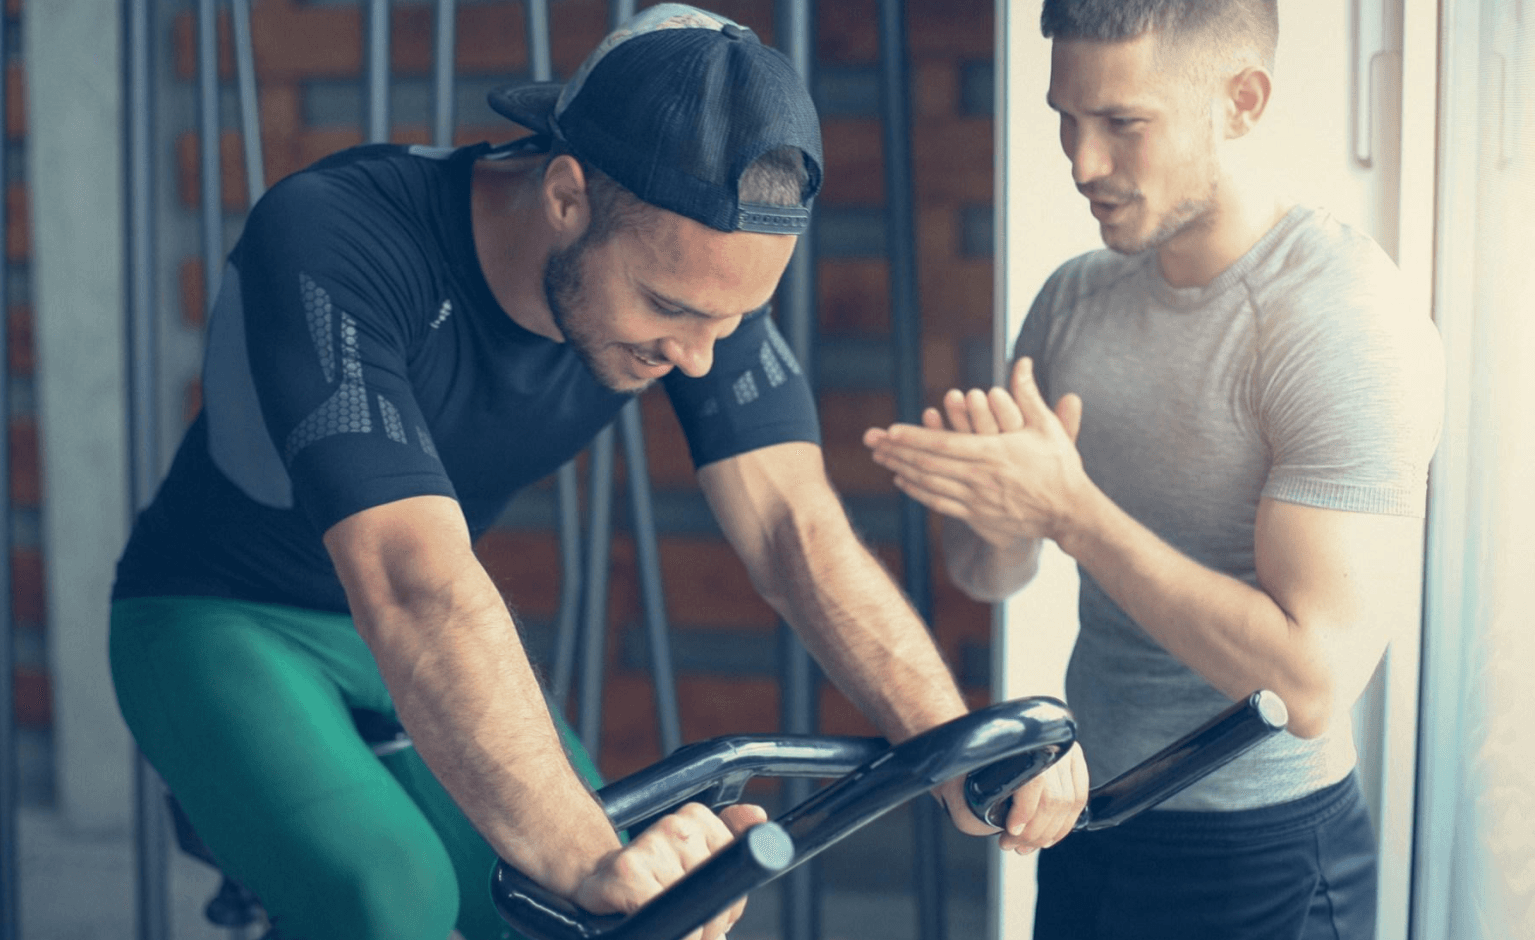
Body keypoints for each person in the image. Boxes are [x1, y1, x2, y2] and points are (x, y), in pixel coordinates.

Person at [108, 6, 1084, 939]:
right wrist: (584, 857)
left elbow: (795, 527)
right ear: (566, 195)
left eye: (732, 320)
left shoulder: (697, 289)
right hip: (213, 617)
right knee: (389, 896)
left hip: (400, 630)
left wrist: (955, 744)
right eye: (671, 306)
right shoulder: (337, 236)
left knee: (605, 921)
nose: (701, 356)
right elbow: (413, 581)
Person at [863, 1, 1445, 937]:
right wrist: (1000, 517)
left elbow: (1306, 686)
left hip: (1260, 849)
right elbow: (988, 573)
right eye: (1066, 116)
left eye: (1123, 124)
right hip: (1090, 815)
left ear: (1241, 101)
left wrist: (1070, 511)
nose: (1082, 162)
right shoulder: (1075, 299)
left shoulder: (1342, 320)